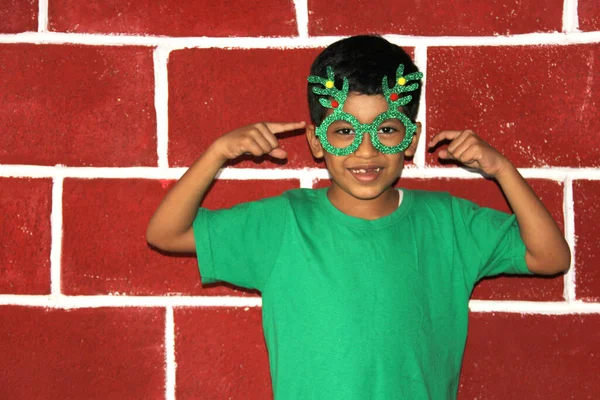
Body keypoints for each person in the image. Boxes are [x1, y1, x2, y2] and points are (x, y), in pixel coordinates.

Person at [146, 35, 570, 399]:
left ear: (411, 139)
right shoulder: (283, 225)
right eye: (345, 131)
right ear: (316, 141)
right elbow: (166, 233)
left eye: (386, 129)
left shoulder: (450, 224)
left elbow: (551, 258)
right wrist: (218, 154)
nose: (366, 152)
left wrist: (502, 170)